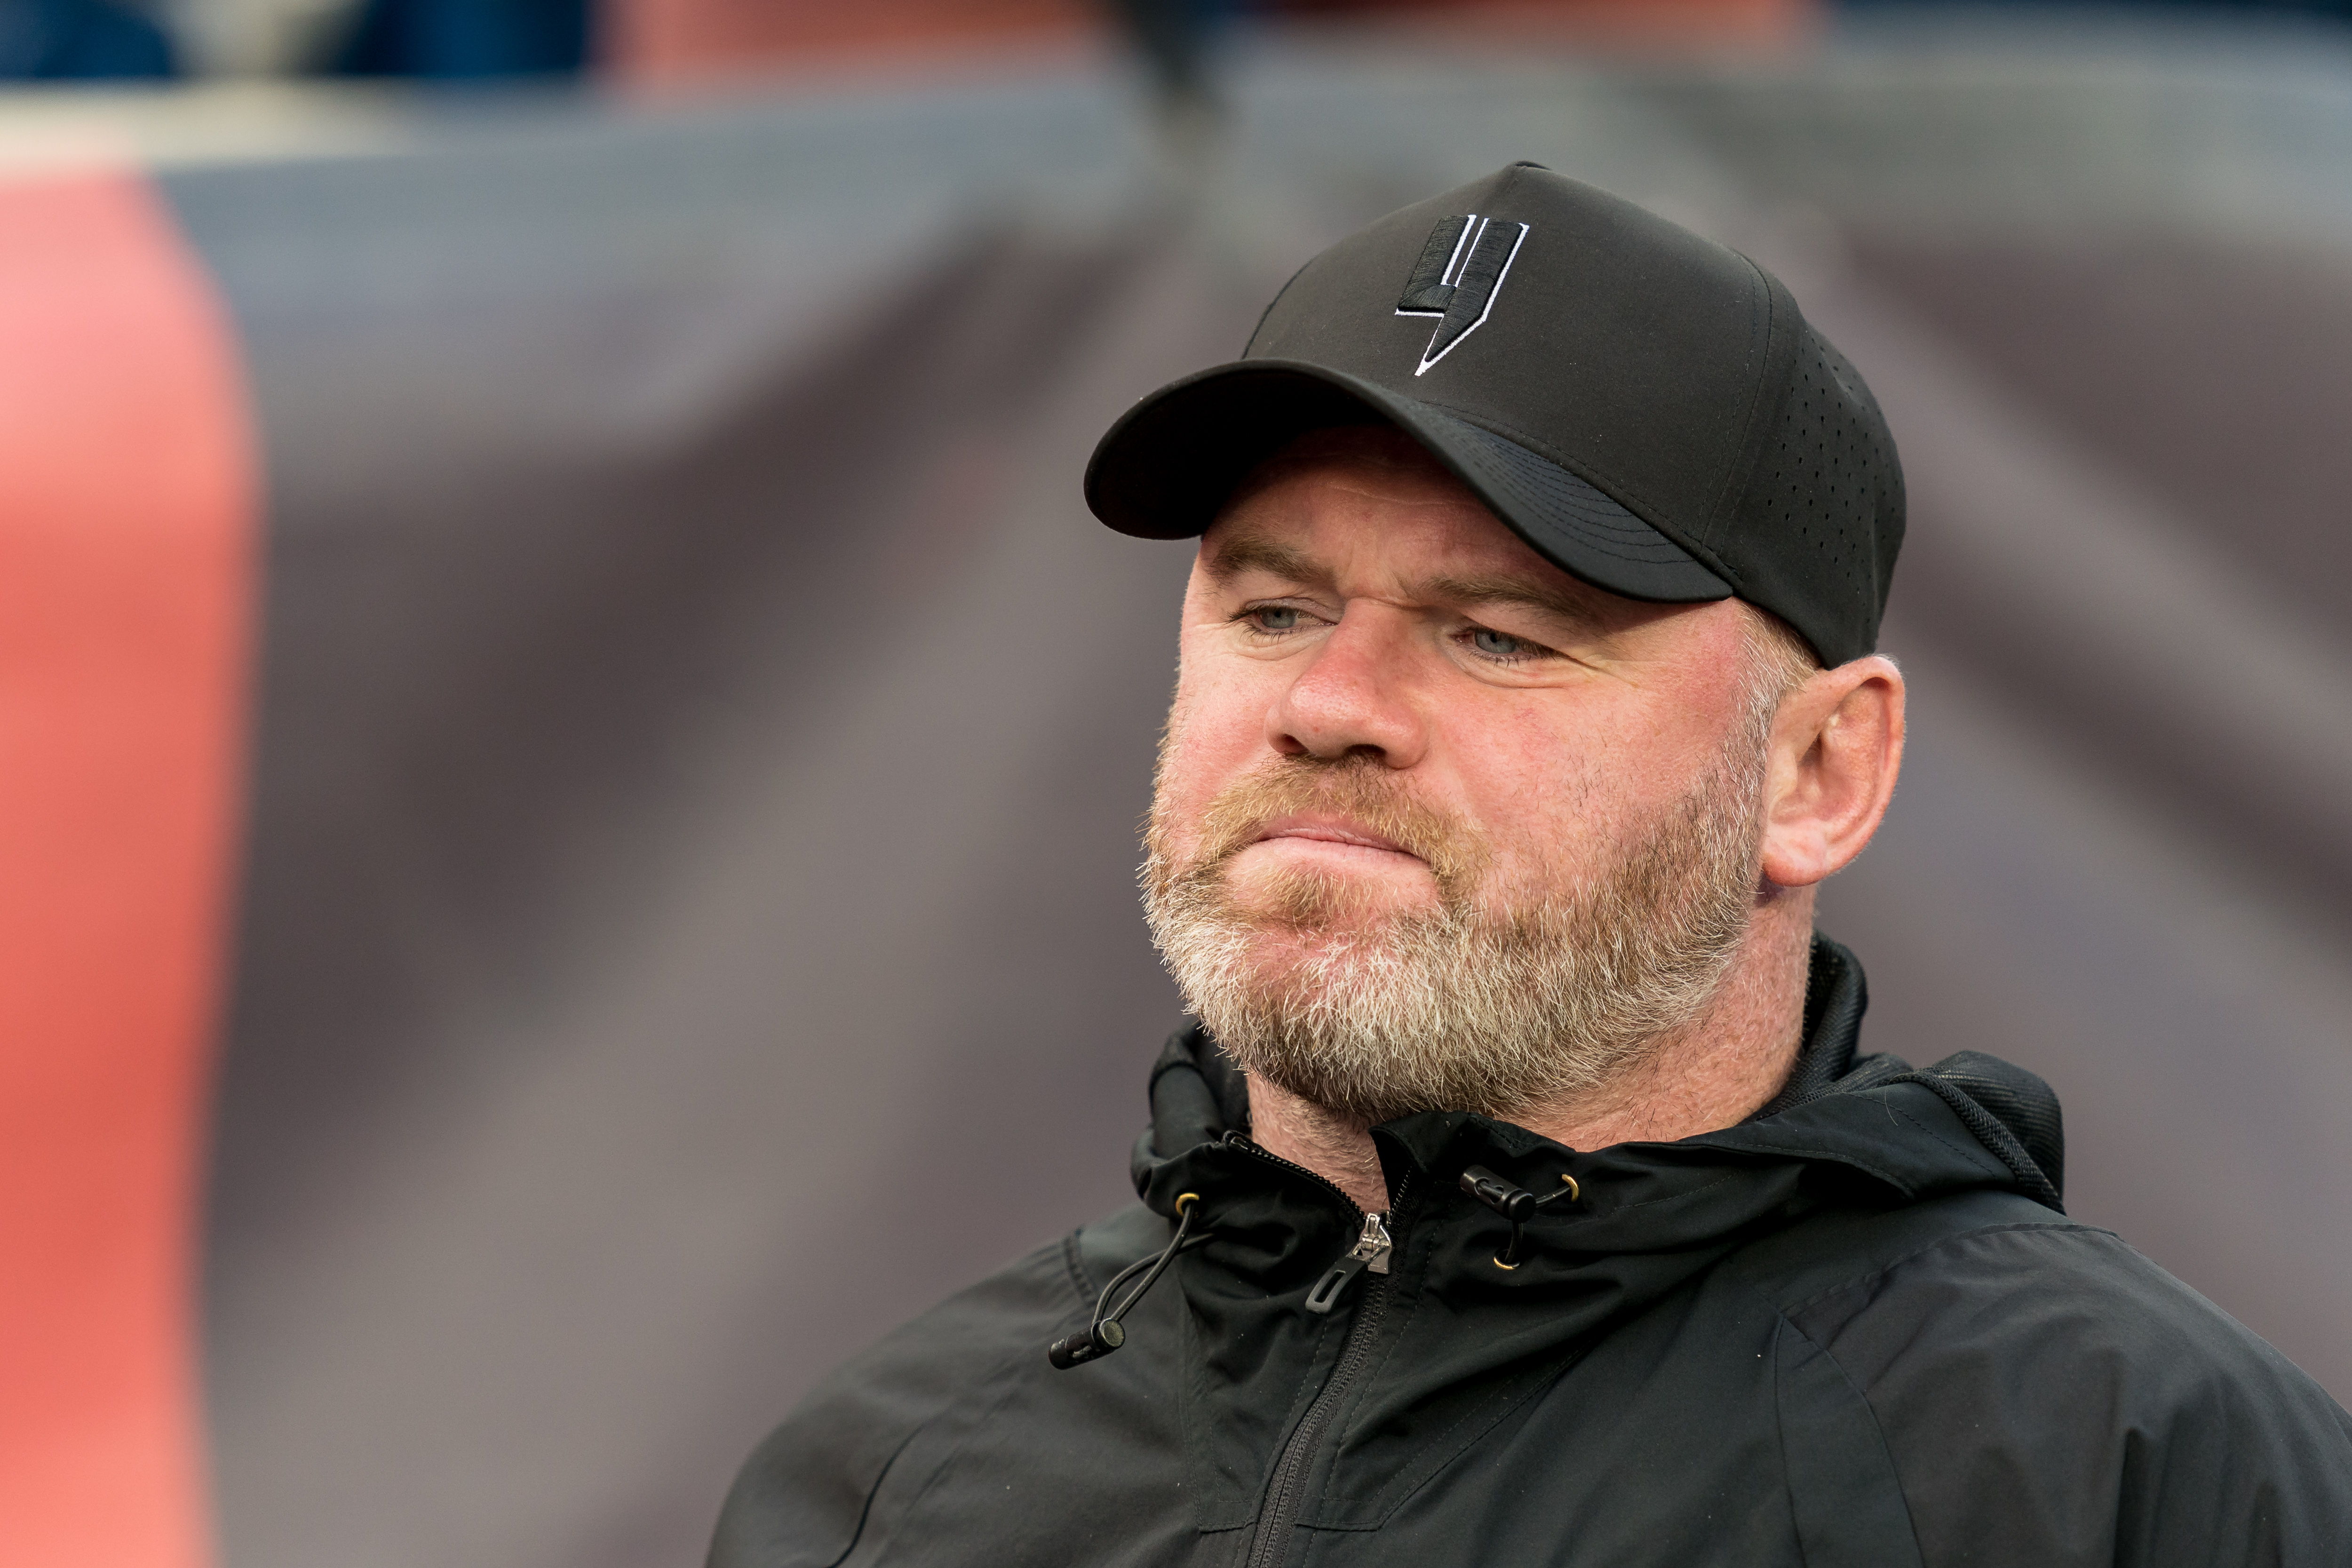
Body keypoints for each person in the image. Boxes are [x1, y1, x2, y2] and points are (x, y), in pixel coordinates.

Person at [708, 163, 2352, 1567]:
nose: (1330, 707)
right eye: (1273, 610)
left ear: (1820, 772)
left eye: (1497, 634)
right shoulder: (892, 1482)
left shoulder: (2129, 1480)